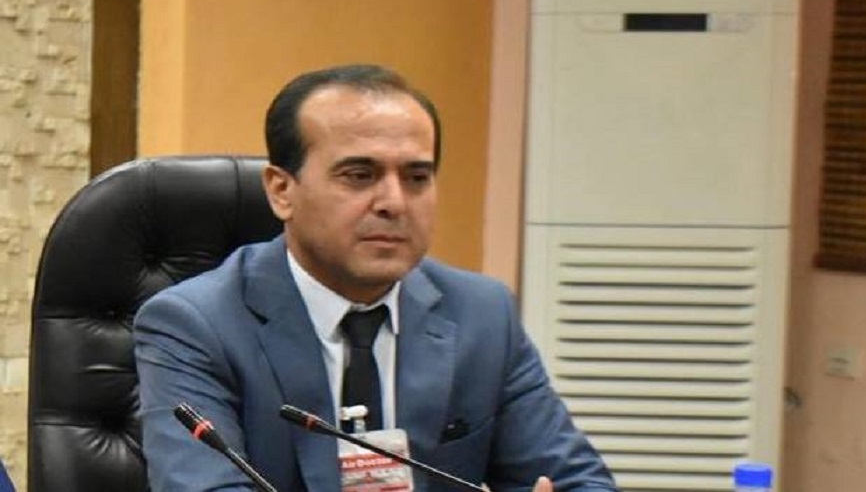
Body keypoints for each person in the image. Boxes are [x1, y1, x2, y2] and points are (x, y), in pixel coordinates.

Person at [134, 64, 617, 492]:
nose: (394, 203)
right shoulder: (196, 324)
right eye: (359, 175)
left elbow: (579, 481)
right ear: (281, 191)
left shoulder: (483, 315)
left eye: (416, 178)